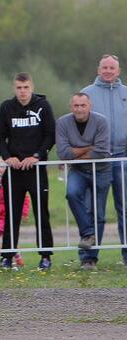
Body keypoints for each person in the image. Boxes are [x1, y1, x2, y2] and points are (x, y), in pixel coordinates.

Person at [0, 72, 56, 271]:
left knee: (41, 214)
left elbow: (50, 135)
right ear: (15, 88)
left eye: (26, 87)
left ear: (32, 87)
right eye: (19, 88)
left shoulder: (43, 106)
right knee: (11, 215)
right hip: (14, 171)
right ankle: (7, 256)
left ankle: (45, 256)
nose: (22, 91)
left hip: (36, 169)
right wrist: (7, 157)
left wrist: (37, 156)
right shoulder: (6, 107)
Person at [81, 54, 127, 265]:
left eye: (112, 68)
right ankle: (89, 257)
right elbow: (78, 124)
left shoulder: (125, 93)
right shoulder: (86, 94)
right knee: (95, 209)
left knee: (124, 209)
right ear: (98, 70)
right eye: (105, 67)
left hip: (122, 159)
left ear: (118, 71)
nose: (108, 71)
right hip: (97, 160)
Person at [56, 92, 111, 270]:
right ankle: (87, 233)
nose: (79, 109)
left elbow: (102, 152)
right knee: (72, 194)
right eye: (76, 106)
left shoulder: (101, 121)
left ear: (90, 106)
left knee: (99, 214)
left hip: (101, 171)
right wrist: (89, 147)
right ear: (71, 107)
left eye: (83, 105)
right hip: (78, 171)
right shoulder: (63, 122)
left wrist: (75, 154)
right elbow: (63, 153)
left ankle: (89, 259)